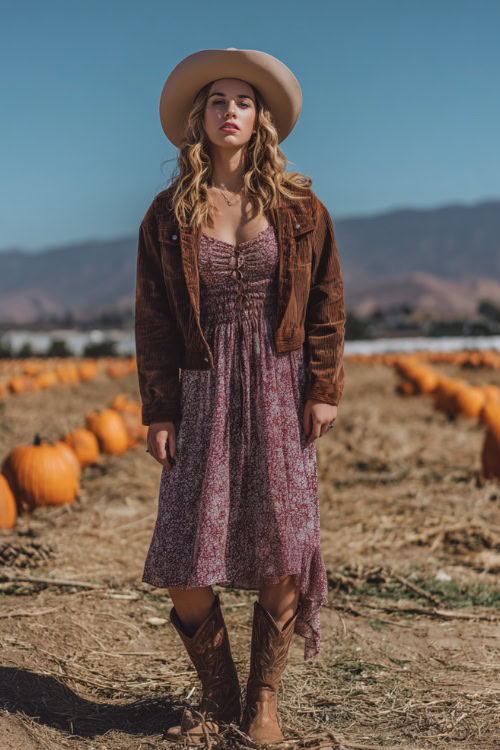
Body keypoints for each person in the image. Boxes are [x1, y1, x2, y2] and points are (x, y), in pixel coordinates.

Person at [134, 48, 346, 745]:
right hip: (200, 391)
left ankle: (262, 703)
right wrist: (159, 409)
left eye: (244, 101)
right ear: (201, 117)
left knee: (283, 545)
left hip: (280, 388)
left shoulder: (301, 208)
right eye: (219, 101)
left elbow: (326, 303)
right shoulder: (168, 215)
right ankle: (218, 691)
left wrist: (323, 388)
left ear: (262, 120)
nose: (231, 112)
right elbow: (155, 320)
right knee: (183, 558)